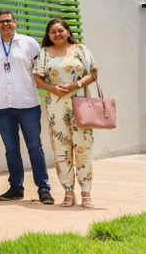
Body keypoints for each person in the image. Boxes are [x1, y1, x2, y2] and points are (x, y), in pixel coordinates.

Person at [0, 9, 54, 204]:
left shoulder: (29, 43)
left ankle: (43, 189)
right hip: (2, 106)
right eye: (1, 22)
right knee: (11, 149)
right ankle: (16, 187)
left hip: (28, 104)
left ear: (15, 22)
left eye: (8, 21)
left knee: (35, 147)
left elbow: (42, 70)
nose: (5, 24)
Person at [34, 18, 99, 208]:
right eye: (52, 32)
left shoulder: (81, 49)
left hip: (80, 103)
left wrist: (75, 84)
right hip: (55, 104)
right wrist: (51, 89)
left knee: (83, 146)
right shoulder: (44, 53)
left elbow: (94, 73)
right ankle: (68, 191)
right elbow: (38, 77)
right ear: (48, 35)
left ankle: (86, 192)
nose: (57, 34)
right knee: (61, 148)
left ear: (68, 31)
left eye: (60, 30)